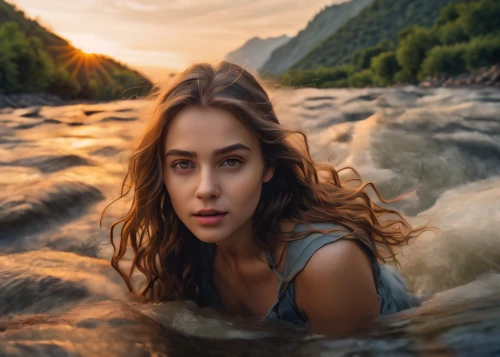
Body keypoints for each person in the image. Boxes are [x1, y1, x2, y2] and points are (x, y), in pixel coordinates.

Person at [106, 61, 431, 337]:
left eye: (231, 161)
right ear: (162, 173)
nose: (205, 189)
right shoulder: (184, 249)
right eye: (183, 165)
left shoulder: (328, 265)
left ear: (268, 165)